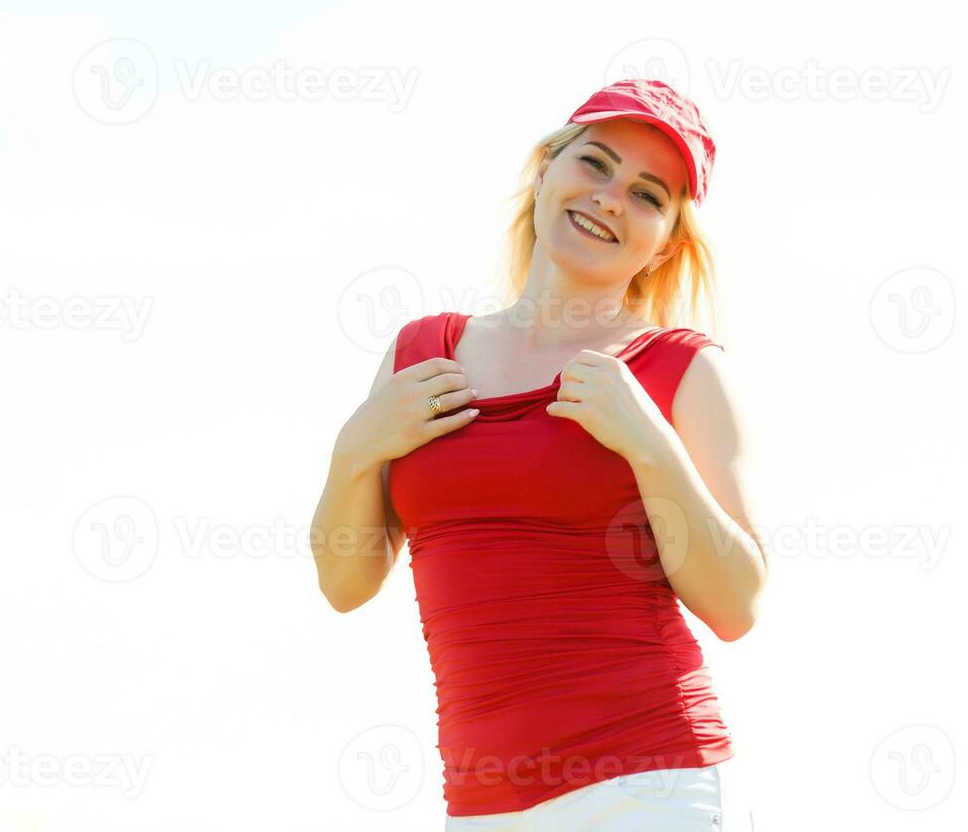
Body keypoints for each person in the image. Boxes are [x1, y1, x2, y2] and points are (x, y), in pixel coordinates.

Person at [311, 79, 768, 830]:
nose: (612, 198)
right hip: (480, 801)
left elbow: (737, 605)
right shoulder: (421, 353)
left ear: (667, 244)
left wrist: (650, 445)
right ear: (546, 170)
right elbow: (344, 583)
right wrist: (353, 451)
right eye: (595, 164)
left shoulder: (681, 370)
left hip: (648, 785)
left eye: (649, 196)